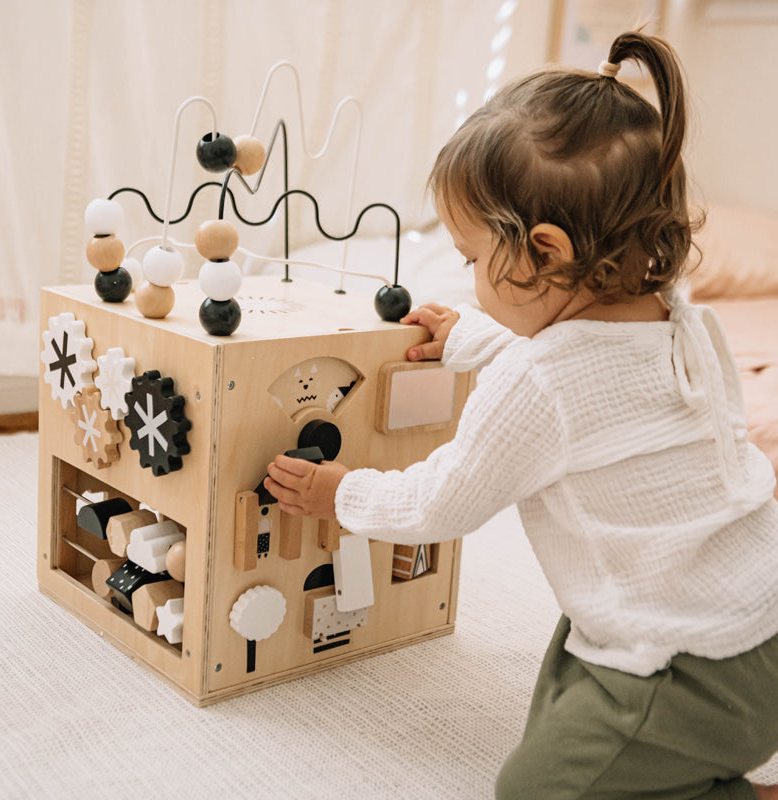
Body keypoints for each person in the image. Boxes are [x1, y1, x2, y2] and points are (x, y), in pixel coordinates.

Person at [265, 30, 778, 799]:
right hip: (760, 618)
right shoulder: (680, 317)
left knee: (534, 790)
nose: (470, 280)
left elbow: (444, 500)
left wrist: (339, 493)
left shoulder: (544, 381)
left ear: (542, 250)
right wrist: (472, 336)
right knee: (570, 671)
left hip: (685, 661)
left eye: (472, 260)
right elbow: (593, 387)